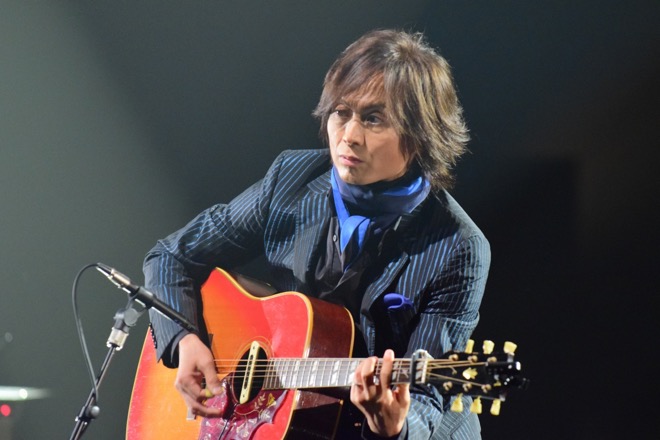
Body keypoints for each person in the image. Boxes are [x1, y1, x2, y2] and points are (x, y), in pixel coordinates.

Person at [144, 29, 490, 439]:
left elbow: (429, 400)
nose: (349, 136)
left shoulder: (458, 247)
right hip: (292, 422)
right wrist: (184, 341)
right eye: (341, 112)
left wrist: (394, 425)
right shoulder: (292, 179)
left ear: (419, 136)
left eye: (374, 119)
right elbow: (171, 257)